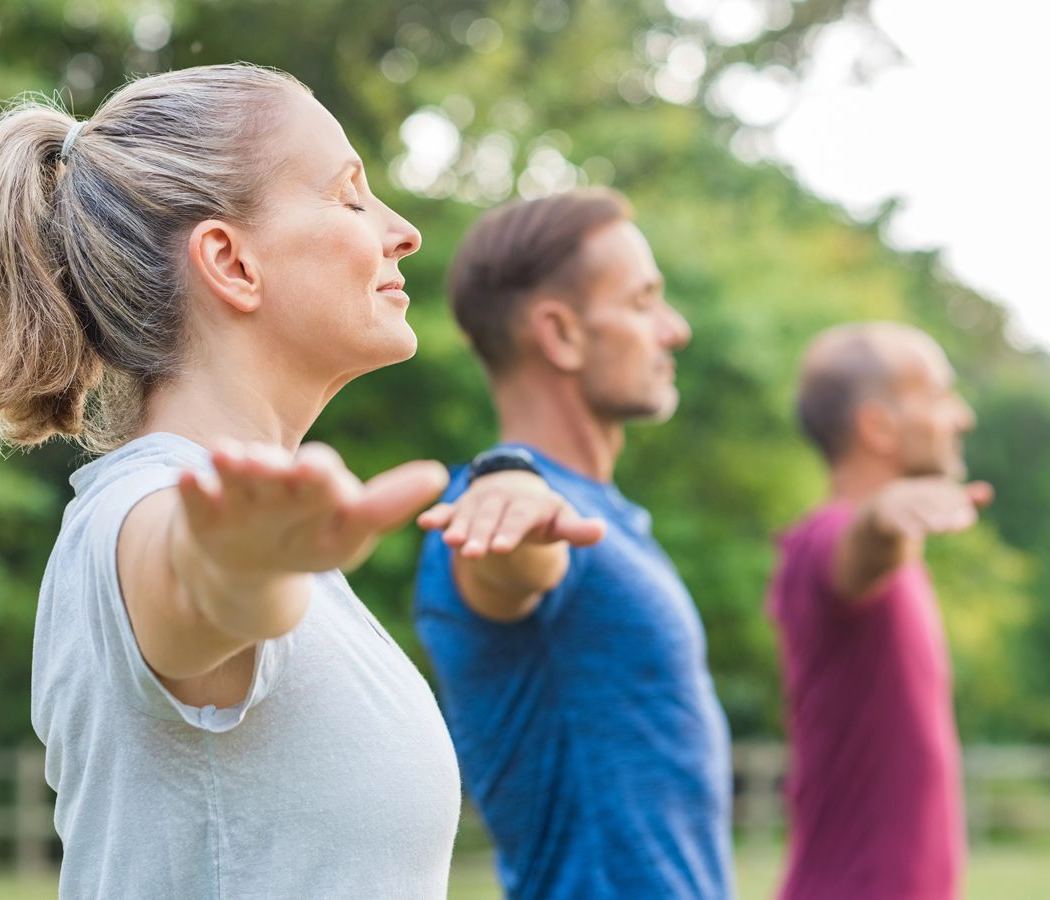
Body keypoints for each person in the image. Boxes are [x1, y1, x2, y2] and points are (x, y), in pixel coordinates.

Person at [0, 64, 463, 897]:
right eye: (350, 195)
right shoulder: (144, 513)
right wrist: (237, 567)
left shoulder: (273, 540)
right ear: (231, 261)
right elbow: (189, 582)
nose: (402, 232)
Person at [413, 189, 733, 899]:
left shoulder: (605, 517)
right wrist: (508, 494)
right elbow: (510, 560)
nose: (674, 329)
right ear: (560, 334)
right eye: (644, 302)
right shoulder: (498, 512)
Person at [768, 322, 991, 900]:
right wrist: (882, 515)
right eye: (940, 395)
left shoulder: (899, 563)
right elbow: (858, 548)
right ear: (878, 426)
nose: (961, 417)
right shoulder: (826, 538)